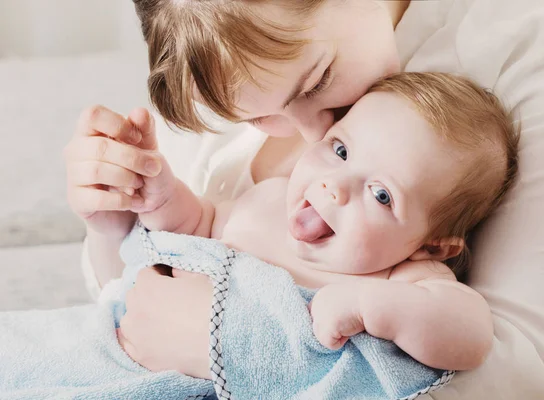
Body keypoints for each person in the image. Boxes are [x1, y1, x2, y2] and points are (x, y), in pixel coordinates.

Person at [64, 0, 544, 398]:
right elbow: (136, 288)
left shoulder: (535, 50)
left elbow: (528, 376)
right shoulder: (206, 42)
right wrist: (112, 225)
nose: (305, 133)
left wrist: (227, 348)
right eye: (252, 116)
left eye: (318, 80)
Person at [117, 72, 518, 379]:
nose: (335, 186)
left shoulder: (401, 276)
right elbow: (196, 224)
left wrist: (370, 306)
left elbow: (471, 335)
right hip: (133, 348)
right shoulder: (267, 200)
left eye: (381, 195)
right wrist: (163, 196)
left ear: (430, 245)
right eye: (340, 150)